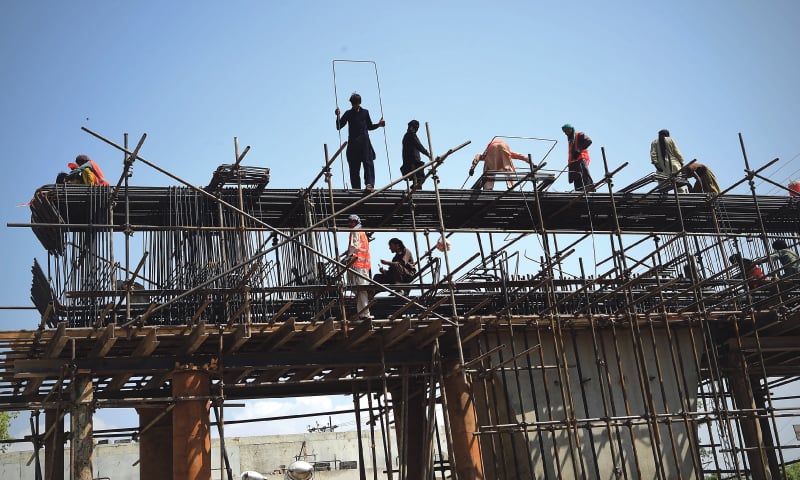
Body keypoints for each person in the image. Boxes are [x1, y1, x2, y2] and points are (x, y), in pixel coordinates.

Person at [335, 93, 385, 193]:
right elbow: (339, 126)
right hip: (353, 143)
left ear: (359, 103)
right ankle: (356, 188)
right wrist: (338, 116)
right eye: (353, 104)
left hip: (365, 143)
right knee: (354, 167)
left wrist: (378, 125)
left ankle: (369, 184)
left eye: (356, 103)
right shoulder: (348, 113)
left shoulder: (365, 112)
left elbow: (369, 126)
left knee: (368, 164)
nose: (354, 106)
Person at [344, 214, 372, 319]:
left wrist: (348, 258)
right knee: (361, 289)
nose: (349, 224)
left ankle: (364, 313)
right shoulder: (362, 232)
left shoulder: (355, 231)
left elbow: (354, 246)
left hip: (357, 263)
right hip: (363, 264)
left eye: (350, 222)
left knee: (360, 289)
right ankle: (363, 312)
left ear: (355, 222)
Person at [650, 129, 688, 193]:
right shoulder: (670, 140)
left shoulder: (654, 142)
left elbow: (653, 154)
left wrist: (656, 164)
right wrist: (682, 162)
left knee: (663, 186)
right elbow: (677, 152)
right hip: (674, 166)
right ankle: (681, 198)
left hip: (661, 167)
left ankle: (663, 199)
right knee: (679, 185)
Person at [561, 124, 594, 192]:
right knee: (576, 177)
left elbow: (589, 141)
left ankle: (589, 189)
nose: (566, 134)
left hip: (580, 159)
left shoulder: (579, 135)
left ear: (571, 129)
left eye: (566, 131)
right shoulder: (570, 141)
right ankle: (579, 191)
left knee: (584, 175)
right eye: (564, 132)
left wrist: (579, 150)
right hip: (573, 162)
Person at [401, 120, 430, 189]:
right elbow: (418, 145)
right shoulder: (411, 134)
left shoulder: (407, 135)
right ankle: (416, 187)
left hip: (409, 161)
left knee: (417, 178)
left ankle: (415, 185)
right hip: (413, 160)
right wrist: (427, 153)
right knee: (419, 177)